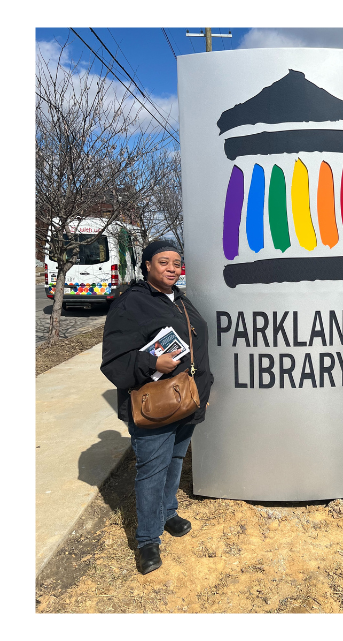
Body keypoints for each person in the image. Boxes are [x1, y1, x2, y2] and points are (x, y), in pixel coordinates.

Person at [100, 240, 214, 575]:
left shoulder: (180, 299)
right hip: (156, 403)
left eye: (177, 263)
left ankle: (167, 513)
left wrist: (205, 388)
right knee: (151, 469)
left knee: (176, 459)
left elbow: (196, 343)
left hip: (187, 398)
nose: (171, 268)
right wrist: (152, 361)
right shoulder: (130, 303)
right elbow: (113, 361)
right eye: (163, 262)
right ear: (147, 265)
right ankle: (148, 539)